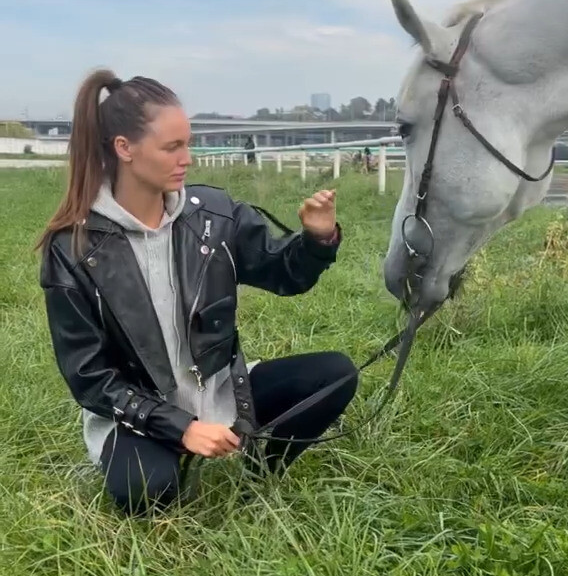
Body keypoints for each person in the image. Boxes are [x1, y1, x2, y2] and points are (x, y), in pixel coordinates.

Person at [38, 70, 357, 515]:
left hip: (221, 394)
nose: (187, 158)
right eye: (172, 147)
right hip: (139, 414)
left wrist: (316, 241)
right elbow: (89, 378)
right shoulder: (73, 249)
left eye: (187, 144)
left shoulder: (214, 215)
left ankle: (258, 472)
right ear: (125, 148)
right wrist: (182, 427)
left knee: (336, 374)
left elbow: (285, 275)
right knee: (147, 490)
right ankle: (157, 455)